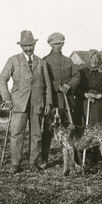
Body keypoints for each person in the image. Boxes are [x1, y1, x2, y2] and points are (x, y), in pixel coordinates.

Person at [0, 30, 53, 173]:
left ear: (34, 44)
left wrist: (48, 103)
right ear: (21, 46)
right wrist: (7, 98)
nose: (28, 48)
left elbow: (47, 85)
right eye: (25, 46)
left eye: (31, 45)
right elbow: (1, 80)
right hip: (18, 103)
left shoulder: (41, 63)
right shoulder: (13, 60)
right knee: (16, 133)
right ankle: (15, 164)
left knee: (36, 134)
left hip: (37, 103)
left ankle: (33, 162)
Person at [41, 32, 81, 169]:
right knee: (47, 131)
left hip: (67, 103)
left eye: (60, 43)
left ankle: (73, 160)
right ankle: (44, 159)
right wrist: (56, 85)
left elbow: (76, 75)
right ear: (50, 44)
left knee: (70, 131)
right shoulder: (45, 61)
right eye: (55, 44)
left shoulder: (68, 61)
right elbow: (42, 79)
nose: (58, 46)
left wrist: (69, 85)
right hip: (52, 101)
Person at [76, 50, 102, 126]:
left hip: (99, 106)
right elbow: (76, 89)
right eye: (92, 58)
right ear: (88, 59)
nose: (94, 61)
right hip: (84, 103)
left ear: (99, 60)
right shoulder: (81, 73)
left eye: (96, 58)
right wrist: (85, 94)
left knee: (99, 128)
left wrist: (99, 95)